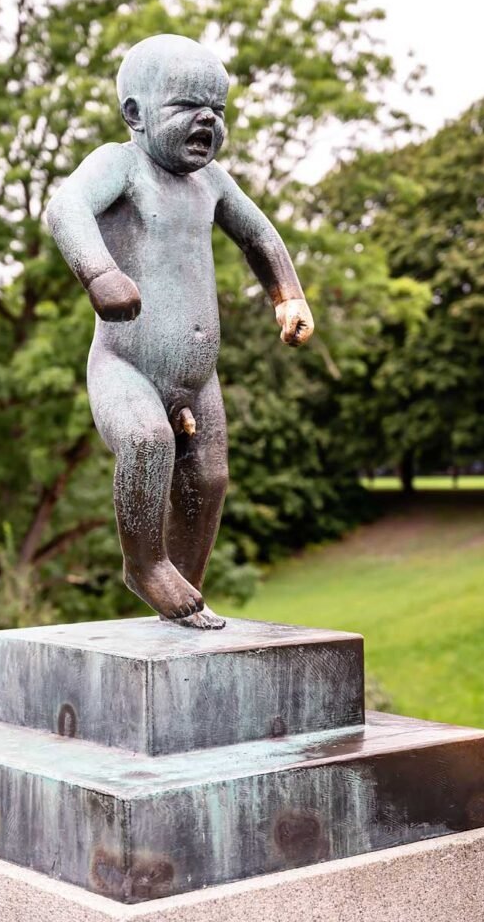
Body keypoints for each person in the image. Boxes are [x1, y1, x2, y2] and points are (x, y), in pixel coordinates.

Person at [47, 34, 314, 629]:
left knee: (209, 479)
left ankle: (185, 588)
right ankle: (145, 566)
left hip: (199, 378)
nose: (207, 120)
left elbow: (260, 236)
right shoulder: (121, 164)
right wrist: (100, 274)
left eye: (217, 109)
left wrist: (287, 294)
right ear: (135, 114)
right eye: (187, 106)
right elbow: (66, 208)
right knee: (147, 444)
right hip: (125, 367)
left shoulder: (212, 182)